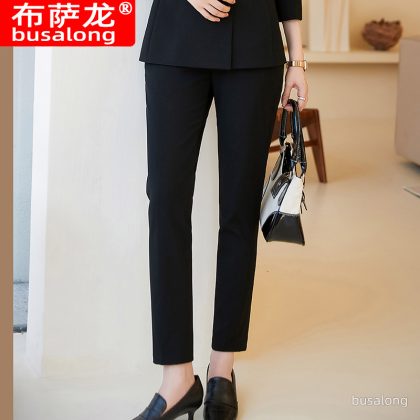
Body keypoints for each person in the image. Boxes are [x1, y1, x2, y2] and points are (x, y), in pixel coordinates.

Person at [133, 0, 308, 418]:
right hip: (175, 41)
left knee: (239, 211)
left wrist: (297, 60)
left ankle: (222, 368)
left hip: (254, 46)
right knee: (166, 204)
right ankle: (177, 377)